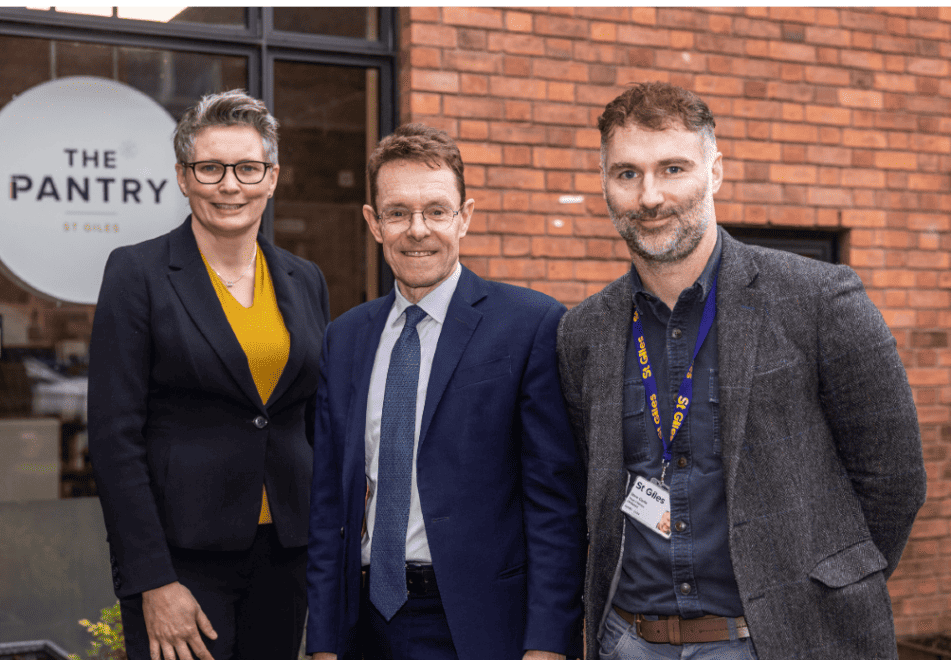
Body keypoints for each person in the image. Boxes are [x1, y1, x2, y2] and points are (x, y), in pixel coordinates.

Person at [556, 82, 926, 660]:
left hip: (779, 641)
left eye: (672, 168)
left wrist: (826, 589)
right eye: (626, 174)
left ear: (715, 172)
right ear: (604, 182)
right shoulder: (583, 332)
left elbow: (894, 478)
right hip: (627, 641)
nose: (649, 196)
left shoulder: (818, 299)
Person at [305, 123, 585, 660]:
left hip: (481, 627)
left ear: (465, 217)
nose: (418, 230)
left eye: (436, 210)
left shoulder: (529, 325)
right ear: (373, 222)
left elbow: (555, 505)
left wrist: (547, 644)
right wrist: (322, 641)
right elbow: (328, 506)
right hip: (364, 626)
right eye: (397, 212)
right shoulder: (346, 338)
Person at [88, 89, 329, 660]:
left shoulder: (304, 277)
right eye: (210, 168)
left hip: (285, 553)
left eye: (248, 168)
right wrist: (152, 580)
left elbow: (313, 416)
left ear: (272, 177)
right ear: (183, 176)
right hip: (182, 561)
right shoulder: (137, 273)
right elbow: (114, 438)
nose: (230, 185)